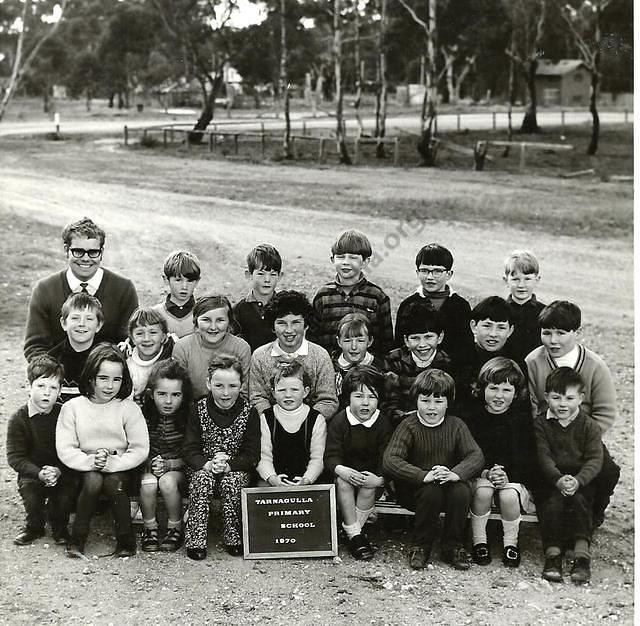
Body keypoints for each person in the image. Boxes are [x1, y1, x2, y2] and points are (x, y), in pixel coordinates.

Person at [525, 300, 620, 528]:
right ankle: (549, 511)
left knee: (608, 472)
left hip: (584, 435)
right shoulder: (533, 361)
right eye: (547, 333)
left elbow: (605, 412)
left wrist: (584, 436)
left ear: (577, 332)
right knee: (535, 469)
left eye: (561, 333)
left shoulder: (594, 365)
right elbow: (528, 404)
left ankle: (595, 510)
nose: (553, 340)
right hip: (545, 433)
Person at [383, 369, 483, 571]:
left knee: (462, 490)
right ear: (415, 401)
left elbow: (475, 455)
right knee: (432, 491)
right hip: (414, 488)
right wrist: (423, 475)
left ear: (448, 402)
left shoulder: (456, 425)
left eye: (438, 402)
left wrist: (455, 473)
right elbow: (390, 459)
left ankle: (453, 546)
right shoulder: (408, 425)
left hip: (447, 482)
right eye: (425, 401)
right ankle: (421, 546)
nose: (431, 408)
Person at [56, 343, 149, 558]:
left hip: (121, 468)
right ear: (91, 378)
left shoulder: (127, 408)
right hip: (82, 468)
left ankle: (126, 541)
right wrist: (90, 462)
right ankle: (77, 539)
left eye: (116, 379)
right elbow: (65, 447)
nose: (110, 386)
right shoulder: (73, 408)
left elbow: (139, 447)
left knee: (113, 483)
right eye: (103, 378)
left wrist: (113, 463)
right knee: (93, 480)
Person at [24, 216, 138, 361]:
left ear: (101, 252)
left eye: (93, 252)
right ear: (66, 250)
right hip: (58, 375)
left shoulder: (123, 289)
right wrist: (54, 376)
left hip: (105, 376)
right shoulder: (45, 289)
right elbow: (35, 346)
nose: (85, 258)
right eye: (78, 251)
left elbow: (129, 343)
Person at [182, 357, 260, 560]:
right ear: (208, 383)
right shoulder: (197, 409)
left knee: (232, 483)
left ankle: (233, 537)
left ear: (241, 385)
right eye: (219, 386)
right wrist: (206, 464)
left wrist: (229, 466)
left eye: (232, 386)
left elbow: (252, 454)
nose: (226, 393)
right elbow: (189, 449)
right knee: (201, 480)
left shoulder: (249, 413)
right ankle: (196, 540)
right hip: (203, 467)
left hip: (234, 469)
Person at [466, 357, 537, 568]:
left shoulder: (521, 420)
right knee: (483, 492)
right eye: (493, 388)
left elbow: (527, 458)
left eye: (506, 390)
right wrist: (486, 472)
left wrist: (506, 475)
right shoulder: (473, 418)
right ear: (482, 389)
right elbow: (468, 453)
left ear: (516, 393)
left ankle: (511, 544)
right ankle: (479, 540)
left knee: (508, 496)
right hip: (481, 476)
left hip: (512, 478)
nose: (499, 395)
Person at [534, 367, 603, 584]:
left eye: (569, 398)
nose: (562, 404)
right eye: (556, 397)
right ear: (546, 397)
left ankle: (581, 556)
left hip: (580, 477)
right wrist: (557, 479)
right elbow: (543, 456)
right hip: (551, 478)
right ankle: (553, 554)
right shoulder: (541, 423)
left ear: (581, 398)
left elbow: (595, 459)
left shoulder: (589, 426)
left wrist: (579, 480)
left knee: (582, 502)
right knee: (552, 503)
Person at [6, 355, 76, 546]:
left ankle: (60, 529)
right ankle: (34, 527)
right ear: (29, 386)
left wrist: (58, 470)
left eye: (53, 388)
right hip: (33, 471)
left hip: (61, 468)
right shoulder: (19, 419)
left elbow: (75, 447)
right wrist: (39, 473)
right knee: (31, 491)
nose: (47, 393)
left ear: (60, 390)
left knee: (64, 494)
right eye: (41, 386)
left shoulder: (65, 414)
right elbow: (15, 458)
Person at [324, 366, 392, 561]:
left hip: (370, 479)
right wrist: (341, 469)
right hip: (345, 476)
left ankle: (354, 532)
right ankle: (356, 536)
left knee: (368, 486)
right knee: (343, 483)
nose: (365, 403)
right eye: (359, 396)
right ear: (348, 398)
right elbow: (331, 454)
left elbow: (387, 457)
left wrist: (380, 479)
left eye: (372, 397)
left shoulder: (383, 424)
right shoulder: (339, 422)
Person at [250, 290, 338, 420]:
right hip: (271, 426)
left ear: (306, 325)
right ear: (273, 326)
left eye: (296, 322)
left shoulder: (320, 356)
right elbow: (257, 397)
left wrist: (304, 421)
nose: (289, 330)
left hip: (311, 427)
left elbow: (328, 400)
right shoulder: (260, 356)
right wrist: (275, 421)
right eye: (282, 323)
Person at [311, 229, 393, 359]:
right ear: (332, 259)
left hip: (366, 369)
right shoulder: (323, 296)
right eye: (341, 257)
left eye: (353, 257)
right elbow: (313, 339)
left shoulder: (377, 297)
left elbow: (386, 343)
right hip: (329, 366)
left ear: (365, 262)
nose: (346, 262)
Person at [139, 359, 191, 553]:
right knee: (148, 483)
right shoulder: (143, 415)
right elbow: (136, 446)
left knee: (167, 482)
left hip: (178, 470)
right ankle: (149, 528)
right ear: (151, 394)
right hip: (149, 467)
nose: (168, 401)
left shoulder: (189, 417)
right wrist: (150, 463)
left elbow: (192, 454)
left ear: (184, 396)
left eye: (175, 395)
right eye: (162, 394)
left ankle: (175, 527)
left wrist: (169, 464)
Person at [394, 243, 473, 367]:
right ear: (417, 272)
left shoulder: (460, 306)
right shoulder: (407, 305)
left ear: (449, 274)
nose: (430, 277)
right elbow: (399, 345)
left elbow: (466, 349)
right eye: (424, 270)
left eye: (437, 271)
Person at [256, 361, 326, 487]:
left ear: (305, 392)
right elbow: (263, 456)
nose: (288, 395)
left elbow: (318, 458)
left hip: (307, 480)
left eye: (294, 390)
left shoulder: (316, 419)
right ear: (273, 392)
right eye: (282, 390)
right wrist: (272, 478)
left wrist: (307, 479)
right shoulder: (266, 418)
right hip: (274, 480)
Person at [383, 303, 453, 427]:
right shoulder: (393, 361)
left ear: (440, 337)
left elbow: (450, 404)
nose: (422, 345)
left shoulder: (447, 364)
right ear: (406, 340)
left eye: (428, 337)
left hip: (436, 424)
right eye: (415, 338)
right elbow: (388, 402)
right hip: (401, 423)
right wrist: (403, 417)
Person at [173, 295, 251, 400]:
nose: (213, 327)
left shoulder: (241, 348)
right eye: (206, 320)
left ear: (229, 322)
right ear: (196, 321)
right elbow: (179, 390)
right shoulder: (183, 347)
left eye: (220, 320)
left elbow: (243, 391)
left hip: (230, 406)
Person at [455, 296, 516, 416]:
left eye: (501, 327)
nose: (493, 334)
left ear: (510, 331)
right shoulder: (460, 359)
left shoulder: (515, 361)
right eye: (487, 326)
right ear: (474, 326)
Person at [48, 293, 104, 403]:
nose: (82, 324)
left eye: (89, 318)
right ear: (63, 323)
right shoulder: (51, 361)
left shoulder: (105, 359)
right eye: (75, 318)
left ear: (98, 325)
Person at [233, 244, 282, 352]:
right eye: (261, 274)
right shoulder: (238, 310)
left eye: (273, 274)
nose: (267, 280)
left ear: (280, 276)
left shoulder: (284, 308)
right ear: (249, 275)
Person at [331, 312, 384, 409]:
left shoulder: (380, 368)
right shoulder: (331, 368)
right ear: (339, 341)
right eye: (347, 341)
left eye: (360, 341)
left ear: (370, 341)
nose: (354, 347)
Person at [123, 307, 175, 403]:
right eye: (139, 333)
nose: (146, 338)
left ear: (163, 337)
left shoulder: (171, 360)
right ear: (132, 338)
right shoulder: (125, 361)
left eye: (153, 332)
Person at [503, 250, 546, 365]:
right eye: (515, 279)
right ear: (506, 280)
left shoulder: (545, 313)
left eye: (527, 279)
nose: (521, 285)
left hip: (535, 369)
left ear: (537, 280)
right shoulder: (499, 310)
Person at [152, 250, 201, 338]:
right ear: (166, 280)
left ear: (197, 281)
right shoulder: (155, 314)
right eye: (178, 280)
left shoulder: (203, 313)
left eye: (190, 281)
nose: (184, 287)